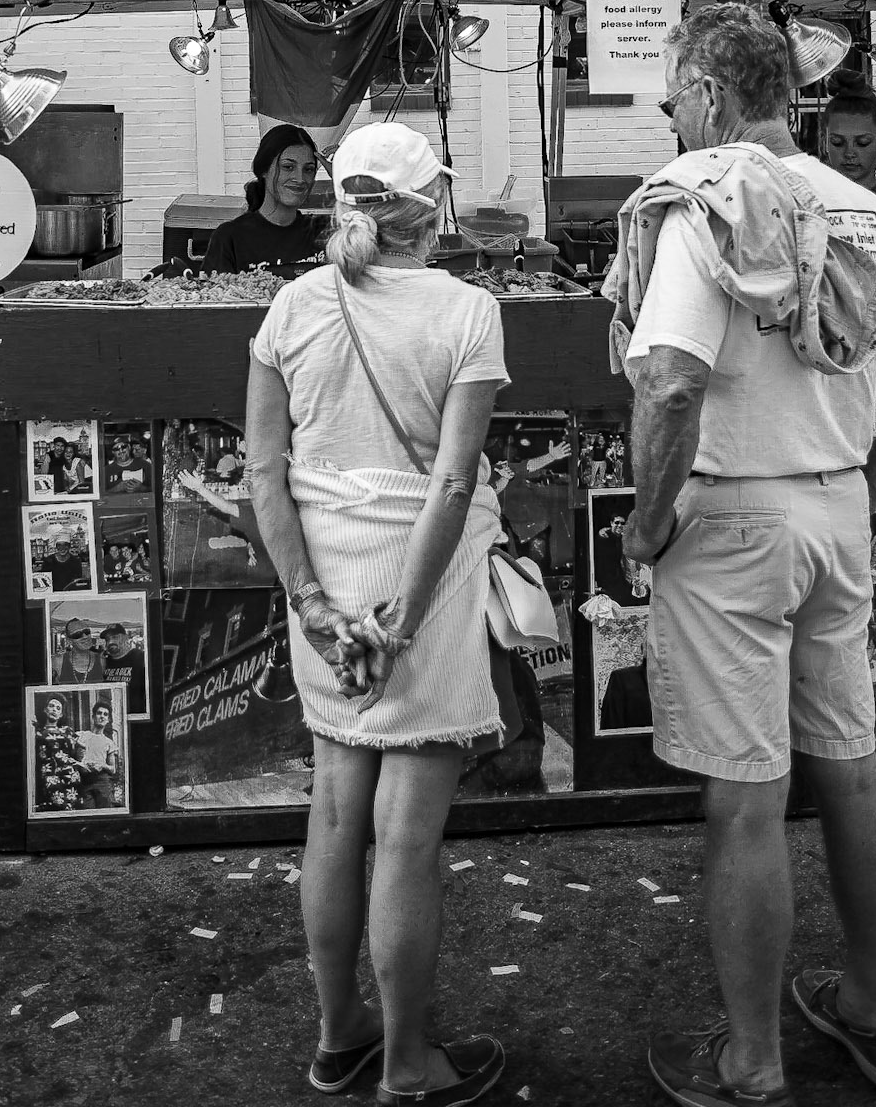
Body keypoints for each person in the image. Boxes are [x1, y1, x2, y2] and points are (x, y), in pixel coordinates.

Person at [612, 3, 876, 1107]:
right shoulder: (867, 211)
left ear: (710, 95)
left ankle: (752, 1061)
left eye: (672, 96)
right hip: (832, 509)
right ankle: (872, 1010)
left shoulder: (702, 202)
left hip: (731, 523)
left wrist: (647, 524)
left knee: (747, 798)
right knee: (850, 763)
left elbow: (671, 381)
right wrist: (863, 494)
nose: (669, 115)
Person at [245, 121, 510, 1107]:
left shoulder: (292, 305)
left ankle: (338, 1033)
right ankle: (405, 1063)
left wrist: (313, 605)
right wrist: (402, 621)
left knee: (332, 809)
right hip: (425, 581)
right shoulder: (467, 310)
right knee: (405, 837)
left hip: (324, 575)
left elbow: (262, 472)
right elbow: (452, 485)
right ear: (429, 207)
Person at [202, 123, 326, 272]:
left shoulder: (322, 232)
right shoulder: (230, 237)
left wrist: (344, 176)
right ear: (264, 170)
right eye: (288, 167)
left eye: (308, 169)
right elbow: (213, 286)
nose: (300, 179)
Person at [818, 81, 876, 208]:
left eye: (862, 143)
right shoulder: (810, 203)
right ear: (825, 142)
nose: (849, 153)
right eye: (838, 143)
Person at [33, 692, 82, 811]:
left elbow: (79, 750)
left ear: (61, 715)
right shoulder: (38, 733)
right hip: (49, 776)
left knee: (72, 808)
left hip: (70, 777)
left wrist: (80, 762)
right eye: (51, 706)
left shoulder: (67, 732)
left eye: (58, 708)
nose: (54, 709)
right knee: (56, 807)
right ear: (45, 710)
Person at [73, 699, 121, 806]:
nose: (102, 716)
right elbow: (74, 756)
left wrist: (102, 765)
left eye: (105, 714)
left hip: (102, 783)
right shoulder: (82, 735)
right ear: (93, 716)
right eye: (99, 713)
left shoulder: (109, 743)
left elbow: (113, 769)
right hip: (84, 782)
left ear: (108, 720)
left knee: (105, 811)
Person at [99, 618, 147, 716]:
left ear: (125, 638)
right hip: (111, 716)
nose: (110, 642)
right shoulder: (105, 661)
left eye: (115, 637)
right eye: (107, 639)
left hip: (134, 716)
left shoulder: (140, 657)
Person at [54, 618, 106, 686]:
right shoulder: (58, 661)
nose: (85, 636)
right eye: (78, 634)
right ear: (69, 640)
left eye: (87, 632)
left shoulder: (101, 660)